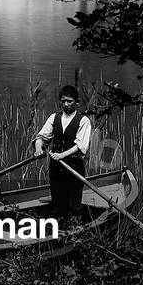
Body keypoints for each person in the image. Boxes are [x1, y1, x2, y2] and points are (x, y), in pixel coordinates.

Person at [33, 85, 92, 220]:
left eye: (70, 101)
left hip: (74, 167)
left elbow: (80, 146)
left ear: (76, 102)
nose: (66, 104)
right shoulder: (54, 117)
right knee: (57, 204)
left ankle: (75, 230)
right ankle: (58, 232)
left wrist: (62, 155)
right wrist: (38, 149)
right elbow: (41, 137)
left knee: (74, 205)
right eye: (63, 101)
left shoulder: (83, 121)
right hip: (56, 168)